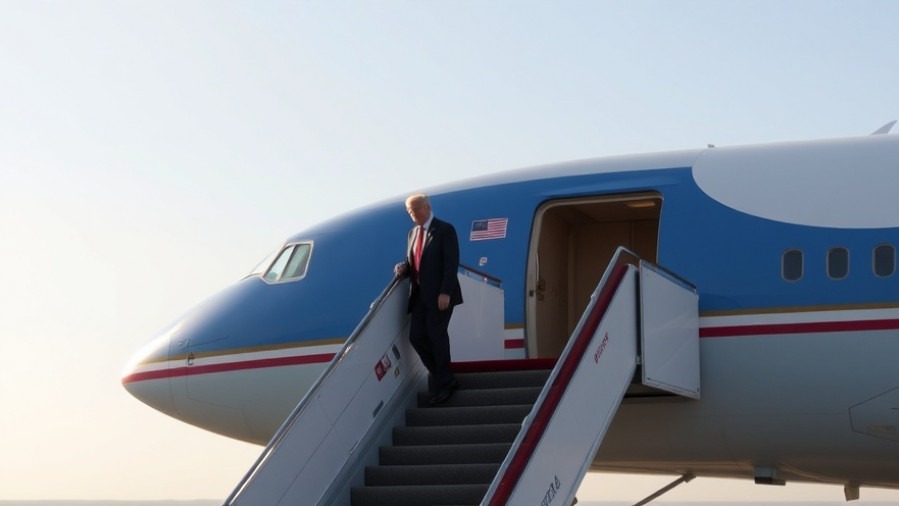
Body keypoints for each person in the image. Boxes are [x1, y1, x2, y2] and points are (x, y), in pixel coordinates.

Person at [394, 193, 463, 405]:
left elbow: (451, 263)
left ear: (427, 208)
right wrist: (403, 267)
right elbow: (414, 262)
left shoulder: (444, 230)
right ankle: (444, 377)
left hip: (441, 296)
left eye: (414, 210)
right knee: (416, 337)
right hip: (420, 296)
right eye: (409, 212)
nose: (411, 215)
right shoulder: (412, 234)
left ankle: (444, 384)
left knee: (436, 336)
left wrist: (445, 292)